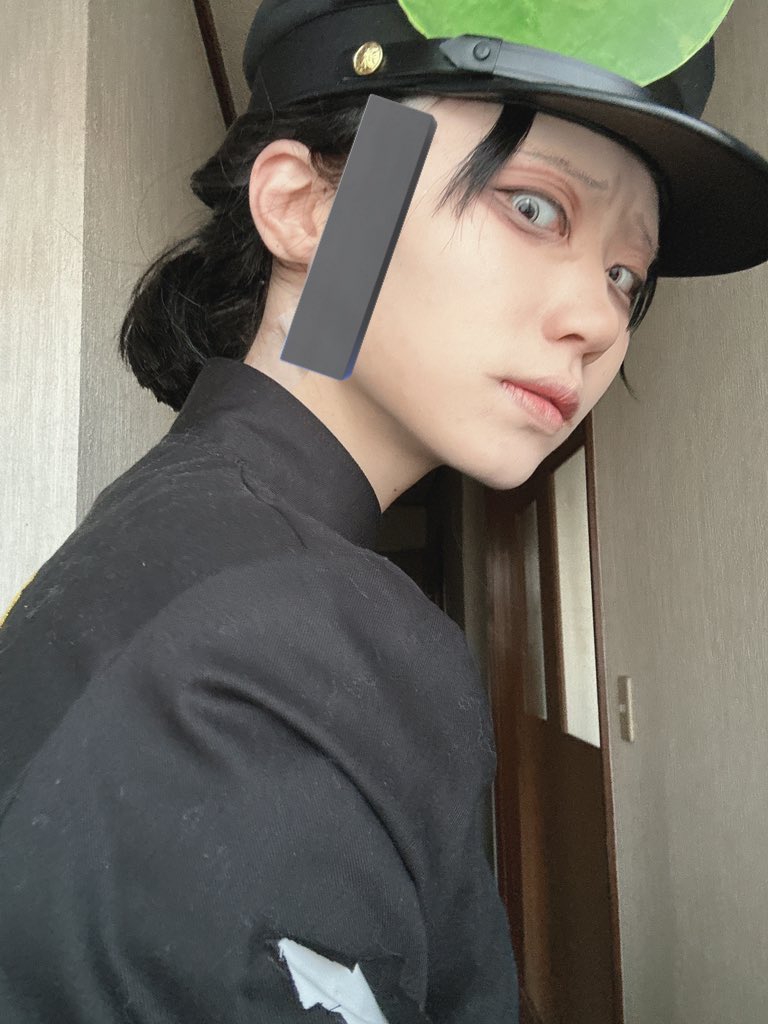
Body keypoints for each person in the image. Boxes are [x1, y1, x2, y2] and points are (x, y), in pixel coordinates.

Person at [2, 1, 768, 1022]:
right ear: (307, 209)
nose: (599, 320)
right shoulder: (281, 629)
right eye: (533, 206)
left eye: (627, 274)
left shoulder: (187, 533)